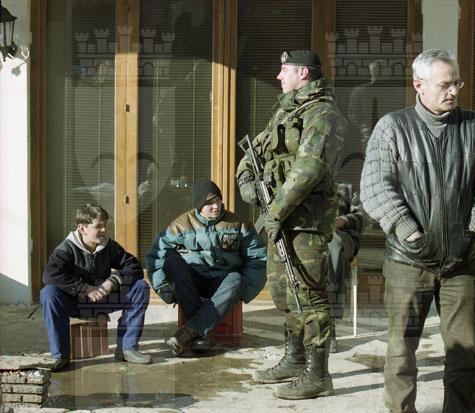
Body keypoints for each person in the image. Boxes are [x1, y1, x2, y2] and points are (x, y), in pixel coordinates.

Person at [360, 48, 475, 413]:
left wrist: (472, 231)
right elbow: (375, 187)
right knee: (401, 349)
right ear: (418, 85)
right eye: (445, 84)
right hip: (408, 261)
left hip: (462, 260)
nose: (453, 91)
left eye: (457, 83)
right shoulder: (392, 127)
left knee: (463, 351)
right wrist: (408, 231)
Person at [236, 50, 347, 400]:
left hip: (306, 223)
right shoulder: (285, 111)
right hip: (281, 221)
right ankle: (295, 359)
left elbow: (308, 170)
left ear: (303, 73)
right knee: (284, 294)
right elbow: (253, 153)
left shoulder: (323, 114)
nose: (278, 76)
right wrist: (246, 181)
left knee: (309, 296)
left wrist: (274, 213)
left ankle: (318, 375)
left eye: (284, 70)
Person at [146, 179, 266, 356]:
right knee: (172, 262)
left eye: (218, 200)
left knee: (236, 279)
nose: (216, 206)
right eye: (209, 203)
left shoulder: (239, 224)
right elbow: (157, 256)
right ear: (199, 205)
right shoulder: (180, 225)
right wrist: (164, 289)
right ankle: (200, 333)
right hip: (192, 282)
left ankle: (189, 332)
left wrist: (245, 290)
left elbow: (257, 258)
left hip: (221, 283)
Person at [41, 204, 152, 371]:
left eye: (105, 225)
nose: (104, 230)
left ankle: (127, 349)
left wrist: (112, 281)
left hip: (102, 298)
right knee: (48, 293)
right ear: (82, 228)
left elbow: (134, 267)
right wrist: (84, 288)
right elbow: (50, 275)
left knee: (140, 287)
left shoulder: (109, 246)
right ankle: (61, 356)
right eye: (98, 226)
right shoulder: (66, 249)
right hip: (75, 302)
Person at [326, 183, 364, 353]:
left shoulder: (347, 188)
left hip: (343, 237)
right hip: (313, 235)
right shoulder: (304, 183)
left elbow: (361, 217)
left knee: (333, 242)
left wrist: (343, 220)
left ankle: (330, 323)